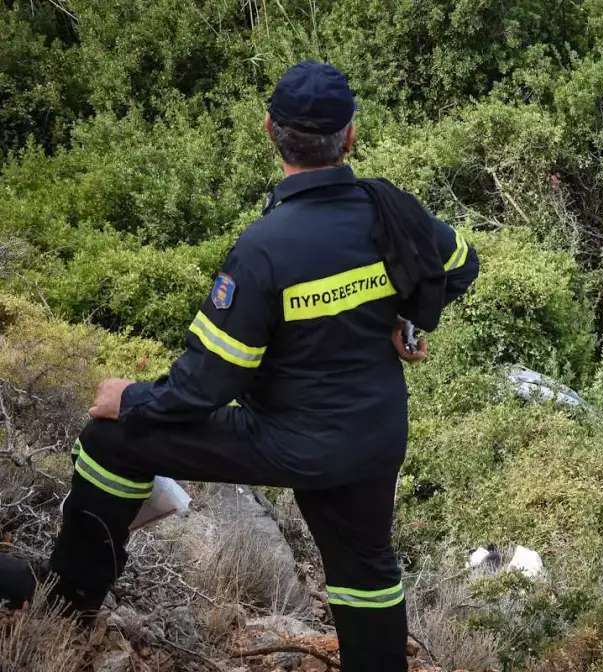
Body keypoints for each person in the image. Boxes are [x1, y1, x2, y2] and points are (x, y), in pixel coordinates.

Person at [0, 60, 479, 672]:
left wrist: (131, 399)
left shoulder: (264, 250)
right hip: (373, 435)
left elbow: (210, 381)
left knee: (110, 441)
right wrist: (407, 321)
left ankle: (69, 603)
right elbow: (461, 264)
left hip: (288, 439)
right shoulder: (392, 212)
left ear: (269, 130)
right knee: (366, 569)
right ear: (351, 136)